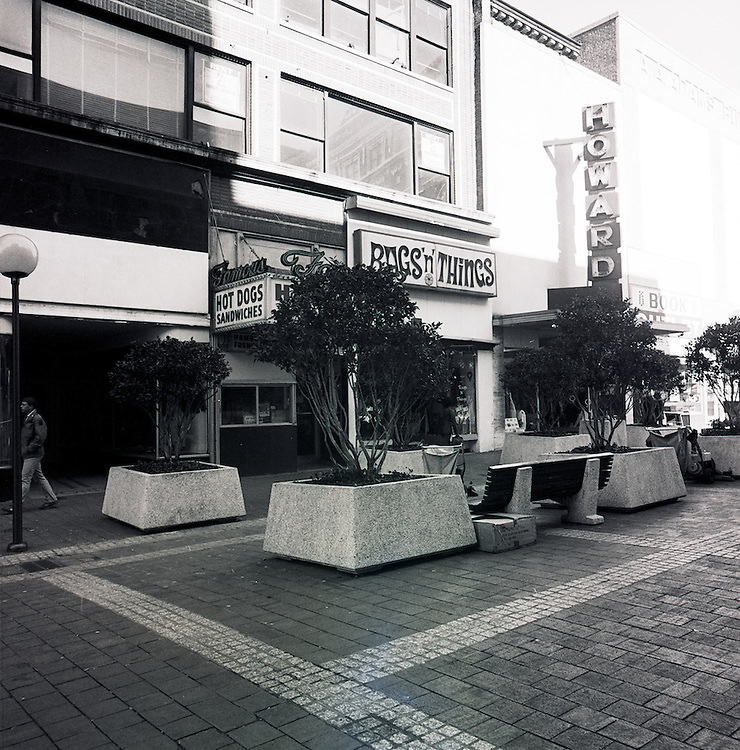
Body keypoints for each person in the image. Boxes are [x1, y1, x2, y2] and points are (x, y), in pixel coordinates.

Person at [3, 396, 58, 513]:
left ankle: (16, 505)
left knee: (25, 479)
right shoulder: (29, 418)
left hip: (33, 454)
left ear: (31, 406)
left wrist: (28, 449)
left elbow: (40, 437)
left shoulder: (36, 419)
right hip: (32, 453)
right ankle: (52, 498)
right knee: (39, 476)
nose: (21, 407)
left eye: (24, 405)